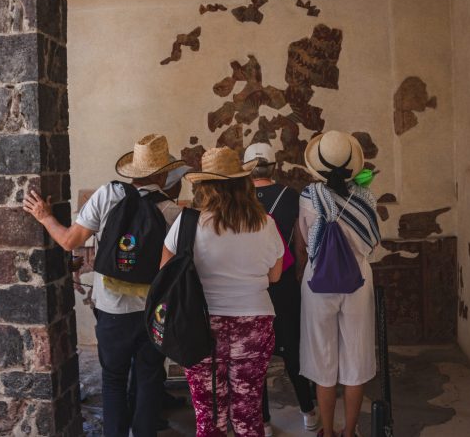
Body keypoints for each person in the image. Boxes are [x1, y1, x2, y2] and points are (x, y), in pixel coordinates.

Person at [23, 134, 184, 437]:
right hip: (153, 313)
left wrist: (44, 217)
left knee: (113, 379)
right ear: (163, 174)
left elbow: (70, 240)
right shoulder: (172, 211)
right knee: (149, 378)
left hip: (111, 309)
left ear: (132, 171)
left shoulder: (109, 194)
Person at [160, 146, 284, 437]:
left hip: (200, 325)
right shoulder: (265, 224)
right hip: (254, 323)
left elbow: (166, 273)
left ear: (204, 186)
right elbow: (275, 275)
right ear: (243, 182)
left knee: (209, 416)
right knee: (247, 414)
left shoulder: (188, 223)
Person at [296, 131, 380, 437]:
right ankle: (350, 432)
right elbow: (372, 245)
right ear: (352, 165)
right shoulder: (367, 197)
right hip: (357, 282)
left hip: (318, 281)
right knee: (356, 357)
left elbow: (308, 243)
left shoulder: (309, 197)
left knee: (323, 358)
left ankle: (327, 432)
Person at [243, 143, 318, 436]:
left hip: (251, 286)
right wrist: (299, 275)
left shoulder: (240, 199)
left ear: (247, 167)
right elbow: (301, 244)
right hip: (284, 283)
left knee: (255, 354)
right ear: (274, 166)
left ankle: (263, 421)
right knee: (293, 352)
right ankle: (309, 416)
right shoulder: (292, 196)